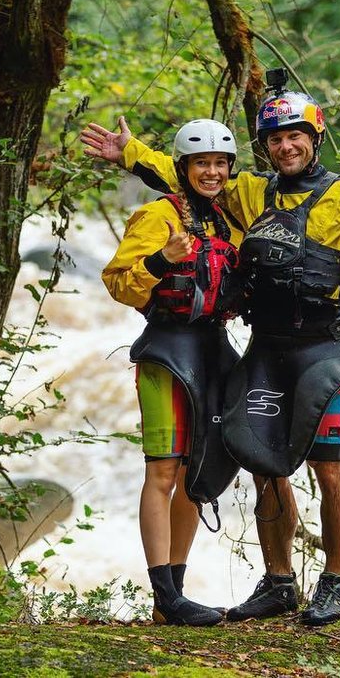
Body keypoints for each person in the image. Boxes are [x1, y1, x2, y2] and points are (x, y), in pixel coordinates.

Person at [83, 82, 340, 626]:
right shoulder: (249, 192)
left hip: (324, 350)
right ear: (265, 147)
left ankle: (335, 582)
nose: (286, 146)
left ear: (314, 137)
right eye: (275, 139)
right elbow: (190, 176)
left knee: (331, 471)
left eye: (296, 135)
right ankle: (279, 583)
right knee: (264, 467)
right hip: (265, 350)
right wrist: (131, 155)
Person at [100, 118, 245, 626]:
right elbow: (118, 282)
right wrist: (163, 260)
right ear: (182, 169)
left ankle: (175, 596)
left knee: (194, 473)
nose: (211, 172)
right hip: (166, 350)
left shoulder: (227, 220)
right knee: (162, 471)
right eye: (201, 164)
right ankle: (164, 594)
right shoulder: (157, 215)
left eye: (220, 164)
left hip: (212, 350)